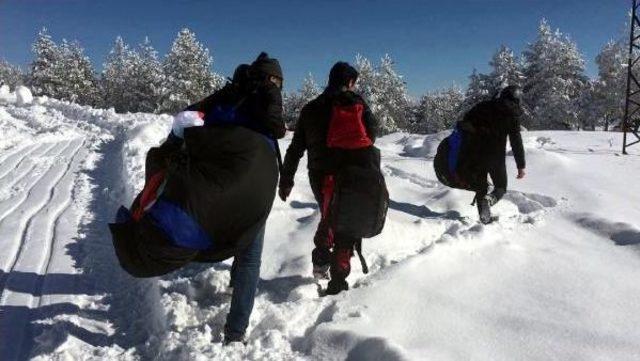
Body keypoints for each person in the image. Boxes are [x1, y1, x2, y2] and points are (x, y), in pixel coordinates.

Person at [109, 52, 285, 346]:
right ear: (273, 80)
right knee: (250, 255)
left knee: (232, 241)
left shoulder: (228, 97)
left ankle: (223, 283)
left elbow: (189, 121)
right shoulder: (268, 103)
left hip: (212, 188)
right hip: (254, 190)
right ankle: (236, 331)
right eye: (277, 80)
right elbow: (276, 130)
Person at [278, 62, 380, 295]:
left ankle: (322, 259)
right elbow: (372, 136)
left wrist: (286, 179)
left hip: (320, 176)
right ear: (350, 82)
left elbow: (295, 149)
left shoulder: (311, 108)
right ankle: (338, 281)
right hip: (353, 174)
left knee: (329, 215)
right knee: (346, 226)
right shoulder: (358, 104)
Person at [449, 85, 526, 224]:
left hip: (474, 154)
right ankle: (489, 202)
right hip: (495, 156)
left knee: (481, 187)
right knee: (501, 187)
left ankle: (485, 219)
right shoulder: (512, 115)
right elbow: (516, 142)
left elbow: (464, 123)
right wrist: (520, 165)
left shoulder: (484, 106)